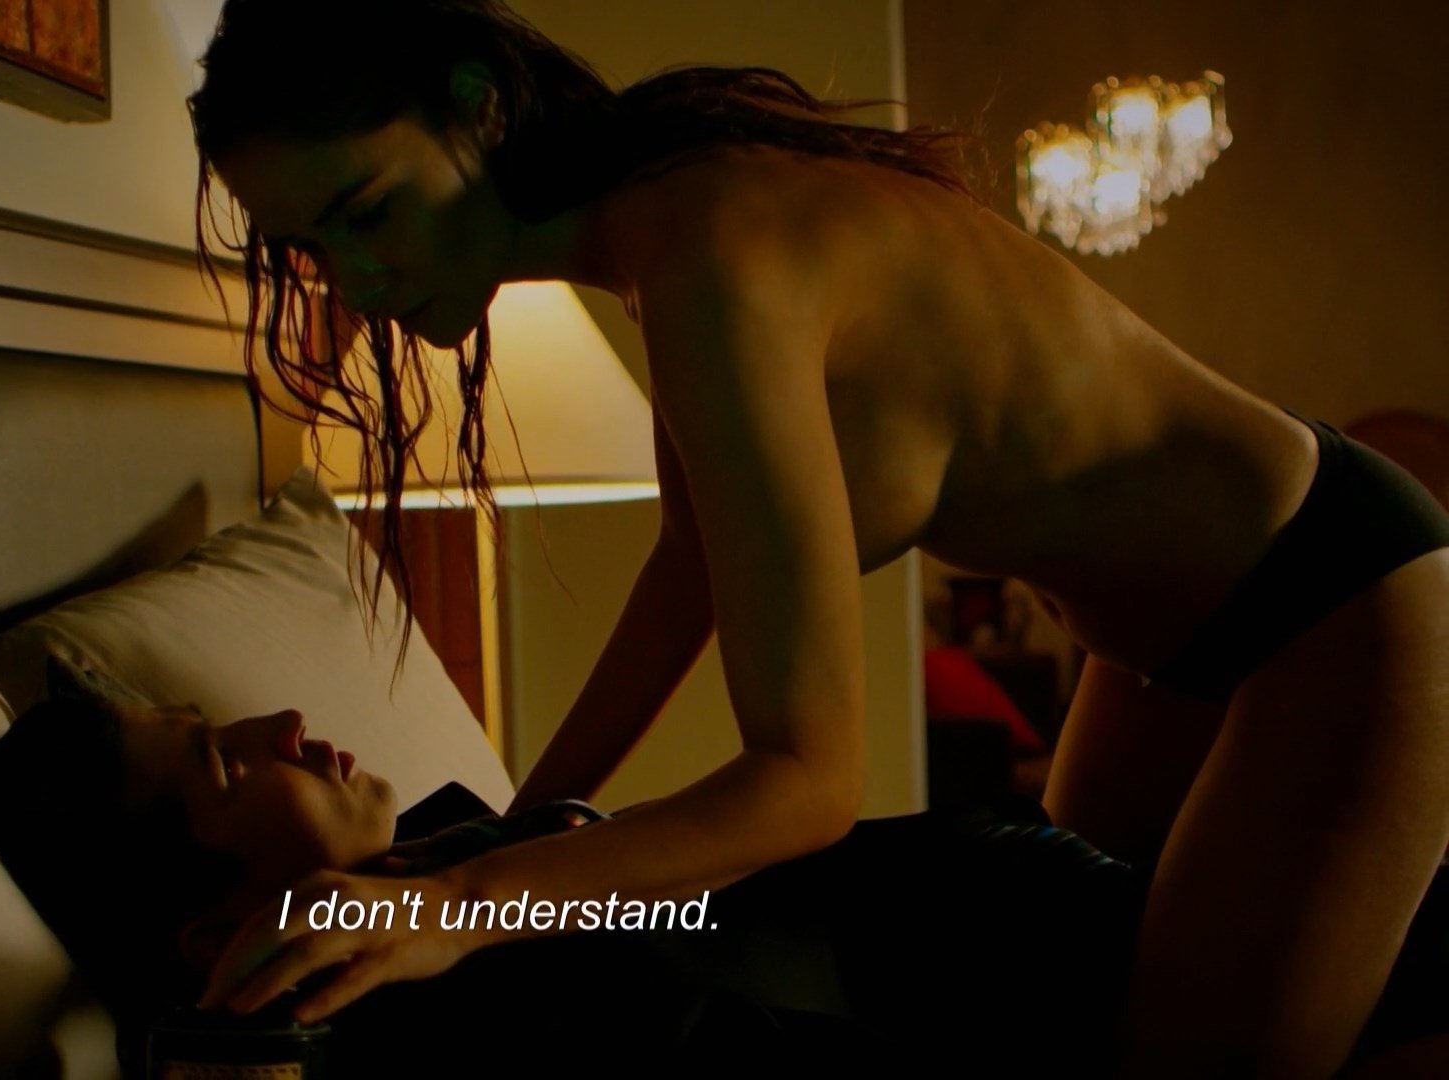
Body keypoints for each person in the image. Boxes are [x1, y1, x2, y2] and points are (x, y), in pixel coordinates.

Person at [181, 2, 1449, 1074]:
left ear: (478, 107)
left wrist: (461, 907)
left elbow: (807, 782)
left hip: (1330, 599)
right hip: (1160, 650)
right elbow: (693, 570)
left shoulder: (710, 251)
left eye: (366, 211)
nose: (352, 284)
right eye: (313, 249)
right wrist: (510, 839)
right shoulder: (662, 229)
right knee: (1089, 1010)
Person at [0, 661, 1449, 1077]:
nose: (279, 724)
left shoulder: (452, 866)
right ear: (214, 923)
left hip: (1048, 902)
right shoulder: (426, 997)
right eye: (223, 766)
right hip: (1078, 976)